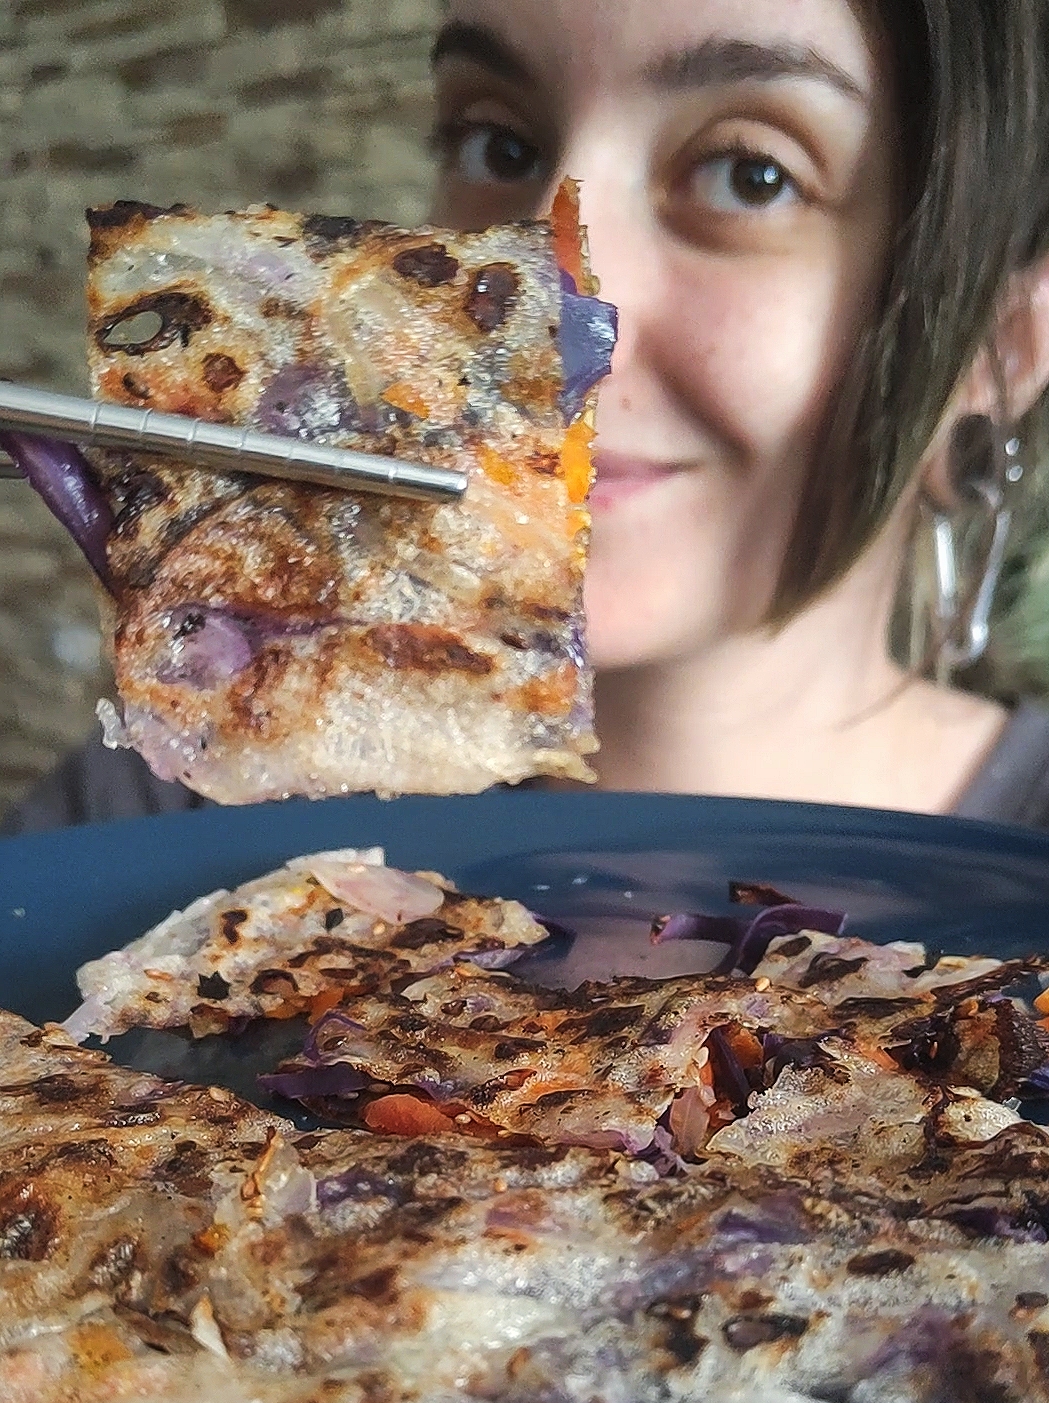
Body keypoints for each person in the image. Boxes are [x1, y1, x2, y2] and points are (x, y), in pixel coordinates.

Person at [8, 0, 1049, 832]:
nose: (542, 323)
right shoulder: (162, 808)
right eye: (498, 146)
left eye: (750, 173)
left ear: (992, 347)